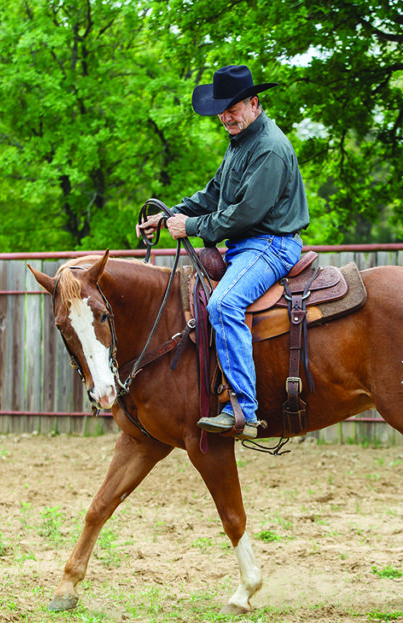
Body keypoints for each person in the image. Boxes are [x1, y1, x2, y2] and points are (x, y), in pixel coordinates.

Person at [136, 64, 309, 439]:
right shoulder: (241, 142)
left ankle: (245, 409)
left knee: (223, 305)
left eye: (233, 108)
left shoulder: (270, 150)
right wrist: (167, 216)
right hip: (247, 245)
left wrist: (191, 227)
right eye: (222, 109)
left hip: (270, 245)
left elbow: (246, 214)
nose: (226, 117)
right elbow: (214, 193)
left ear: (254, 103)